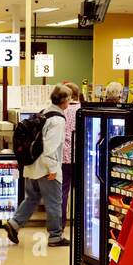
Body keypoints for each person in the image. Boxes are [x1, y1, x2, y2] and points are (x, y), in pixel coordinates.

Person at [5, 84, 72, 248]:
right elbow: (51, 148)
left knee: (32, 198)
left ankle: (14, 223)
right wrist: (53, 170)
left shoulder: (44, 112)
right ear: (65, 101)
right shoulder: (58, 120)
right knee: (54, 202)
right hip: (45, 168)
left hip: (31, 164)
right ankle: (55, 236)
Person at [60, 82, 81, 225]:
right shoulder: (82, 110)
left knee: (62, 191)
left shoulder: (61, 111)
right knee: (81, 191)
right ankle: (81, 221)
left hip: (63, 156)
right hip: (80, 156)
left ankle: (60, 223)